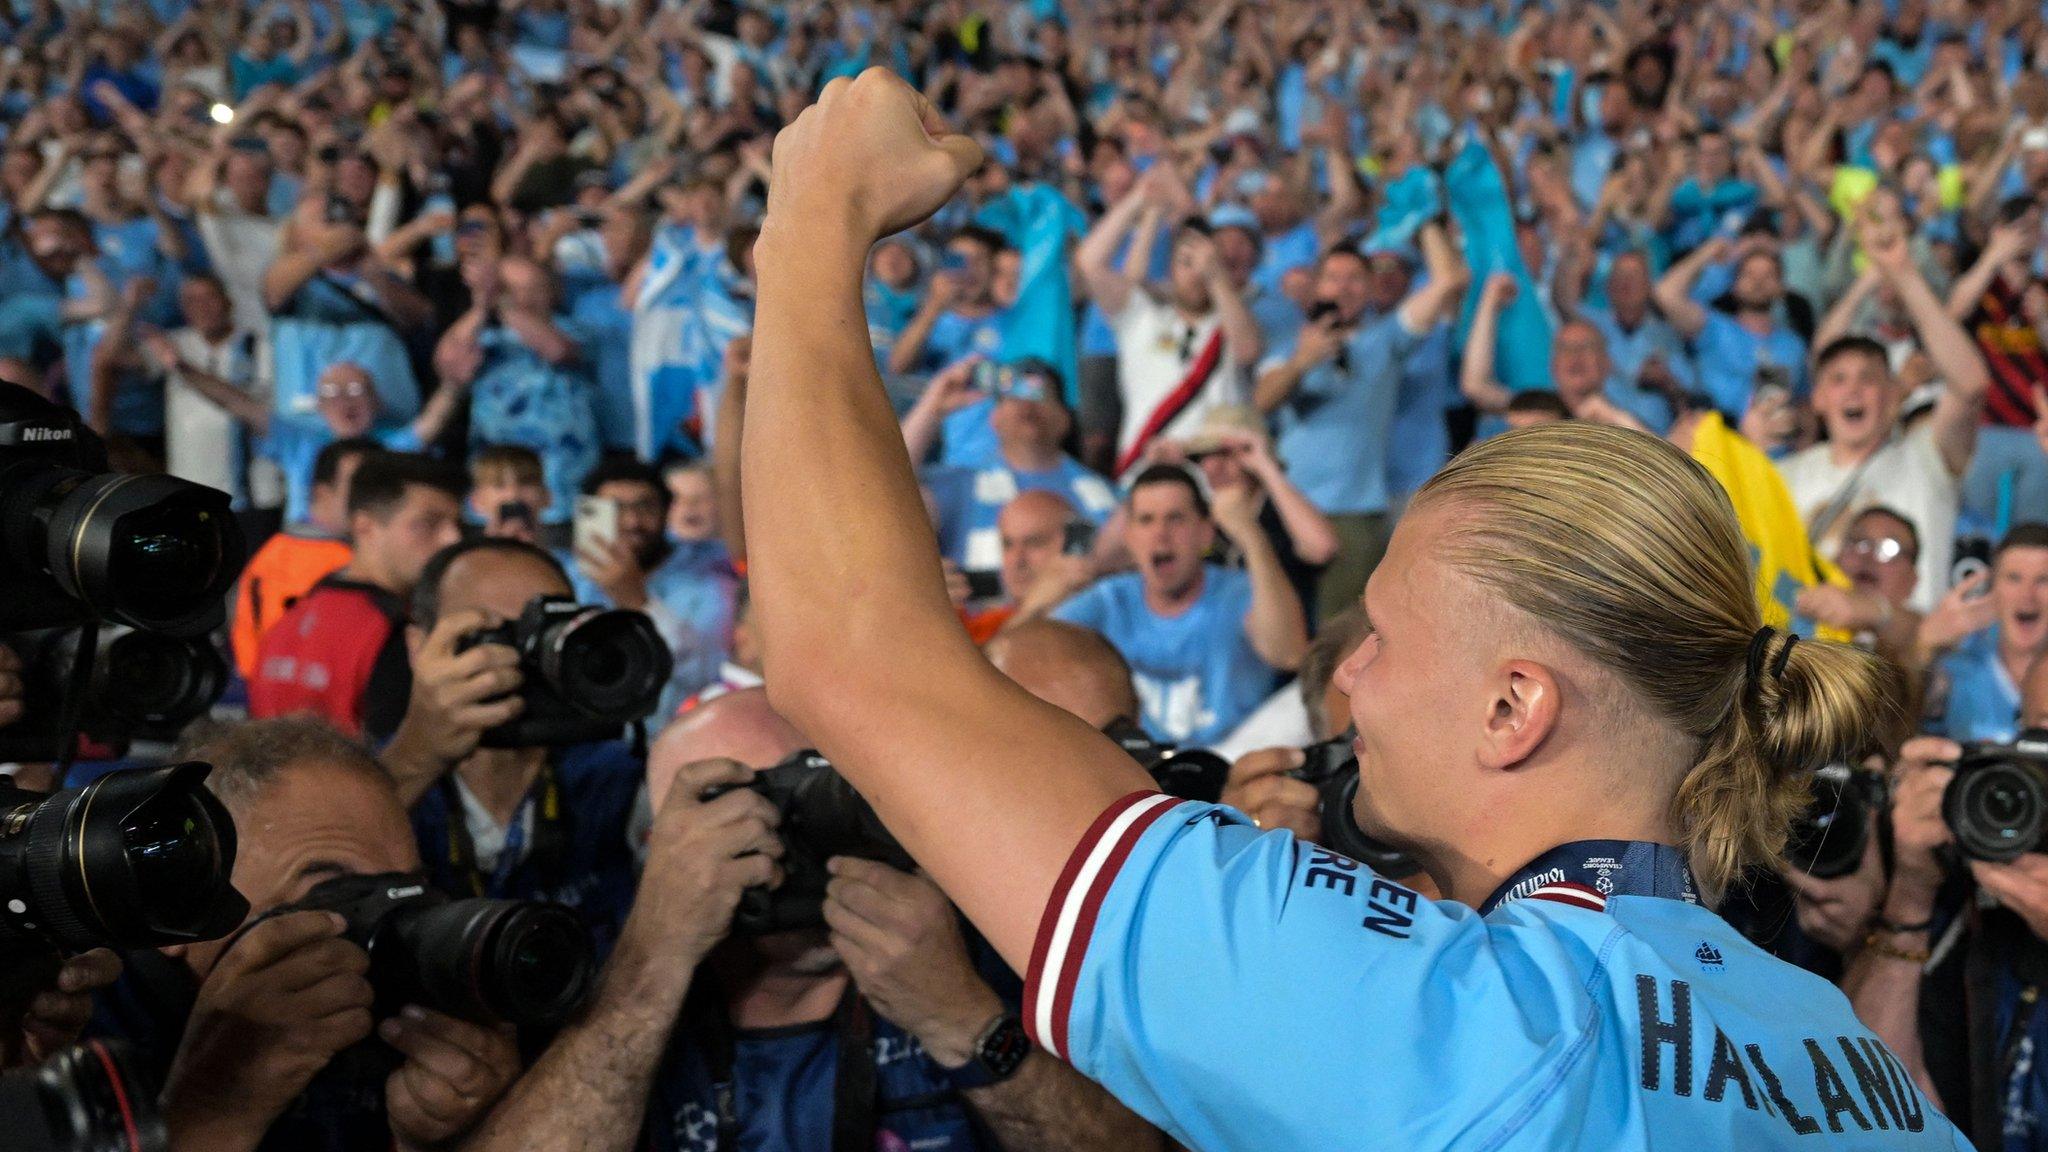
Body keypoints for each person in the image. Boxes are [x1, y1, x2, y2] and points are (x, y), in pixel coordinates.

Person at [740, 70, 1964, 1149]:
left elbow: (847, 653)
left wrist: (809, 224)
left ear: (1511, 706)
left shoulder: (1455, 1025)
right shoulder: (1843, 1053)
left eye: (1381, 636)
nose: (1348, 682)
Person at [461, 688, 1161, 1152]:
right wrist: (653, 962)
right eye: (751, 804)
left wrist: (965, 1022)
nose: (799, 840)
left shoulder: (967, 946)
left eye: (825, 793)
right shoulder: (602, 973)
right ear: (662, 848)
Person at [89, 717, 521, 1152]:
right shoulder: (73, 1029)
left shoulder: (406, 1024)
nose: (385, 927)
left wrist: (453, 1137)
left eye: (405, 896)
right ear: (175, 910)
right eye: (334, 892)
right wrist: (213, 1109)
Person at [383, 538, 646, 959]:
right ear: (418, 647)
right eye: (494, 635)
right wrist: (417, 757)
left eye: (545, 633)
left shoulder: (619, 776)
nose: (523, 660)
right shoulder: (372, 780)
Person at [1255, 228, 1468, 623]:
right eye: (1333, 277)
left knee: (1340, 636)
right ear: (1317, 286)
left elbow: (1449, 281)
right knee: (1282, 625)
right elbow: (1261, 401)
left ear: (1371, 289)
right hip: (1286, 509)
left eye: (1355, 278)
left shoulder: (1384, 340)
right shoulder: (1287, 347)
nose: (1343, 288)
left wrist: (1421, 217)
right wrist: (1304, 360)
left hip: (1353, 514)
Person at [1776, 229, 1993, 614]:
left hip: (1902, 662)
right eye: (1838, 380)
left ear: (1894, 395)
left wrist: (1904, 273)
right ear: (1819, 400)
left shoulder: (1928, 459)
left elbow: (1971, 385)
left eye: (1869, 378)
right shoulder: (1784, 476)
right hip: (1810, 663)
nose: (1853, 391)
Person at [1043, 464, 1307, 746]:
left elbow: (1289, 654)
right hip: (1136, 770)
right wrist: (1044, 590)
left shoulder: (1241, 591)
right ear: (1129, 537)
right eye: (1146, 520)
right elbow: (1025, 659)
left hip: (1231, 767)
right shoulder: (1110, 599)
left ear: (1205, 533)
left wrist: (1251, 537)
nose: (1160, 533)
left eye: (1176, 518)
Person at [250, 453, 465, 741]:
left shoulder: (292, 619)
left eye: (456, 524)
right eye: (429, 523)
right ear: (365, 526)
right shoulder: (391, 633)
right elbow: (401, 761)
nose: (453, 539)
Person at [1076, 167, 1263, 477]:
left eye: (1208, 261)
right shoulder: (1141, 317)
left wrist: (1216, 276)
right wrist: (1138, 199)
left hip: (1218, 479)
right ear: (1171, 268)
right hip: (1146, 471)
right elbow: (1090, 262)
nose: (1197, 272)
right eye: (1186, 262)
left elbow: (1247, 351)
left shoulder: (1233, 322)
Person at [908, 357, 1116, 575]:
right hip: (980, 607)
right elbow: (883, 490)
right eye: (1015, 396)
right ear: (994, 419)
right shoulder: (958, 487)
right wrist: (932, 407)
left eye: (1039, 395)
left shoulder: (1104, 496)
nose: (1027, 404)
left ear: (1065, 418)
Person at [570, 458, 739, 704]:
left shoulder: (709, 582)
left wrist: (637, 601)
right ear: (591, 514)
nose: (632, 522)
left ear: (666, 511)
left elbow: (708, 674)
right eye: (614, 509)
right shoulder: (572, 577)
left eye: (645, 508)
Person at [231, 436, 372, 682]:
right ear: (322, 493)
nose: (373, 500)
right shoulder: (346, 562)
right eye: (360, 487)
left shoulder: (269, 555)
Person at [1465, 273, 1677, 434]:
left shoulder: (1641, 408)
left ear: (1607, 363)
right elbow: (1476, 385)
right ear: (1553, 366)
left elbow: (1667, 472)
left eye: (1586, 347)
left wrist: (1615, 419)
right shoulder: (1535, 407)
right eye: (1565, 349)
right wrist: (1490, 301)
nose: (1575, 357)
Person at [1654, 235, 1810, 419]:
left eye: (1768, 275)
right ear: (1734, 285)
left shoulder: (1794, 345)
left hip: (1773, 443)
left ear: (1781, 287)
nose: (1758, 282)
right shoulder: (1713, 327)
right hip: (1716, 437)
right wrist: (1709, 249)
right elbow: (1665, 293)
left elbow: (1804, 405)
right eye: (1749, 274)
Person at [1923, 523, 2048, 742]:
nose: (2027, 596)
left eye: (2043, 580)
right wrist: (1924, 645)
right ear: (1992, 589)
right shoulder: (1955, 673)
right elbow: (1894, 716)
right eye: (2014, 578)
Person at [466, 443, 551, 544]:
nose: (513, 494)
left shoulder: (569, 558)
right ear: (476, 500)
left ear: (546, 496)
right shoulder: (463, 558)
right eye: (499, 484)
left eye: (525, 482)